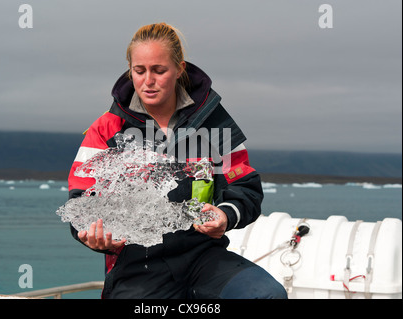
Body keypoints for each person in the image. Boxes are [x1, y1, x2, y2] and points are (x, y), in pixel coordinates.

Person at [67, 22, 287, 299]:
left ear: (179, 68)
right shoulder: (107, 128)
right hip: (137, 266)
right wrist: (93, 237)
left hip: (203, 256)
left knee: (265, 295)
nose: (148, 80)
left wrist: (226, 215)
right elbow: (81, 200)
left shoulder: (214, 122)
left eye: (159, 71)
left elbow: (245, 187)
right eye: (139, 71)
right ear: (130, 71)